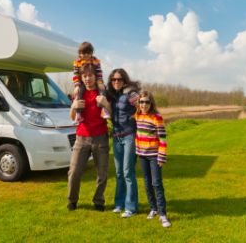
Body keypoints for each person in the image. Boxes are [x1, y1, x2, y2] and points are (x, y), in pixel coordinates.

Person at [67, 63, 111, 212]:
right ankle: (72, 200)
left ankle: (98, 200)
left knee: (102, 173)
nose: (87, 79)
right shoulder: (79, 92)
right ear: (81, 77)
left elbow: (112, 115)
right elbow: (72, 117)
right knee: (74, 171)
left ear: (95, 76)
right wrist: (73, 106)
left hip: (100, 138)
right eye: (84, 76)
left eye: (90, 76)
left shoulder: (103, 92)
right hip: (81, 138)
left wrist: (106, 104)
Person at [134, 91, 171, 228]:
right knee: (147, 183)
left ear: (151, 103)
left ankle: (162, 214)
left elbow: (162, 139)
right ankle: (153, 208)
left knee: (157, 183)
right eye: (141, 102)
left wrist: (161, 156)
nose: (144, 104)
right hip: (142, 155)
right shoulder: (137, 116)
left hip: (154, 156)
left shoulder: (157, 117)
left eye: (147, 102)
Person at [107, 68, 140, 218]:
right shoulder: (112, 95)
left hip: (129, 136)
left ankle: (131, 207)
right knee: (119, 173)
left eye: (119, 79)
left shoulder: (131, 94)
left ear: (124, 80)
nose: (116, 82)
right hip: (116, 137)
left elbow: (144, 105)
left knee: (128, 172)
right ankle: (119, 204)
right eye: (113, 79)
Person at [72, 41, 109, 123]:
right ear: (80, 53)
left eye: (88, 53)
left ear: (92, 53)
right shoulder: (77, 62)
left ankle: (104, 109)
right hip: (81, 83)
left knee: (103, 90)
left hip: (95, 80)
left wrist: (100, 82)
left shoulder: (95, 61)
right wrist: (77, 85)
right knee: (79, 94)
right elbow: (75, 75)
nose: (86, 56)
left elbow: (99, 72)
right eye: (83, 53)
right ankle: (78, 114)